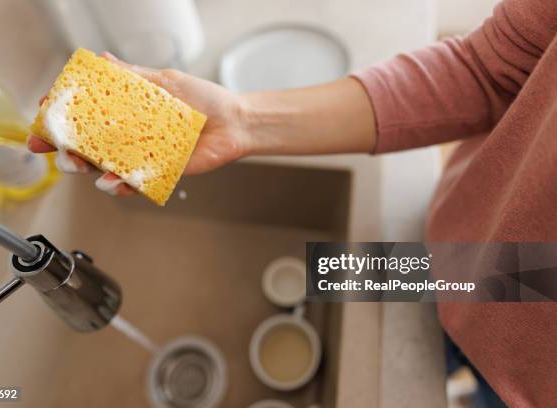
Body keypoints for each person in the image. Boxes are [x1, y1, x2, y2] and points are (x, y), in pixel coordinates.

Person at [29, 0, 556, 406]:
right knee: (327, 276)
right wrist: (244, 120)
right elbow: (491, 70)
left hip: (525, 383)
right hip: (455, 248)